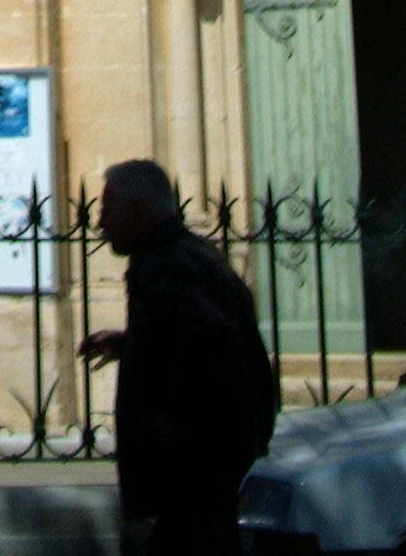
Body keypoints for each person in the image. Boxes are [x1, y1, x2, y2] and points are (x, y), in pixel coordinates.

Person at [79, 158, 277, 556]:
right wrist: (130, 343)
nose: (100, 223)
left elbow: (209, 347)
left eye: (107, 209)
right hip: (205, 473)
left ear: (136, 211)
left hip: (192, 476)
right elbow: (190, 337)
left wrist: (170, 432)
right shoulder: (190, 254)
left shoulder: (165, 266)